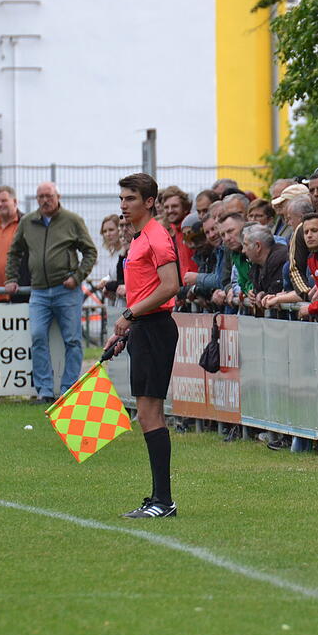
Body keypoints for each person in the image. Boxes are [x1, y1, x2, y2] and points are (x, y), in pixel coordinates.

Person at [106, 173, 181, 519]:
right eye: (122, 199)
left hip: (155, 329)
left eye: (130, 198)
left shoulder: (156, 237)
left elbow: (170, 286)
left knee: (151, 413)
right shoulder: (138, 238)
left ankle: (163, 501)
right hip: (143, 328)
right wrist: (127, 327)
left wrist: (130, 314)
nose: (123, 205)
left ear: (149, 202)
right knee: (146, 414)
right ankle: (158, 498)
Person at [5, 181, 97, 402]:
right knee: (37, 337)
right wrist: (11, 278)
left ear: (58, 196)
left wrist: (77, 278)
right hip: (39, 292)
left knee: (73, 340)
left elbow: (90, 251)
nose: (44, 200)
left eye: (48, 196)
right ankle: (44, 390)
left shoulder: (72, 220)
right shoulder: (27, 222)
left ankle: (68, 388)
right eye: (40, 197)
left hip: (67, 291)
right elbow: (14, 252)